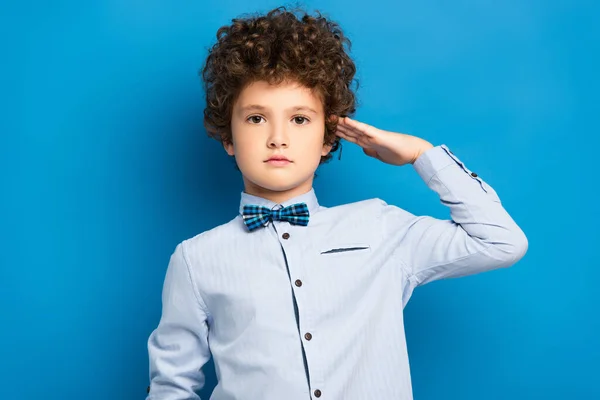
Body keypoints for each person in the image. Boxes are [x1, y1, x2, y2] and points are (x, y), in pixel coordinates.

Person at [146, 6, 528, 400]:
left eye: (300, 119)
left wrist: (421, 154)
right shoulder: (196, 259)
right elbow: (171, 387)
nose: (278, 138)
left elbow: (501, 243)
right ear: (228, 137)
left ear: (329, 137)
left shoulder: (381, 229)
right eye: (256, 119)